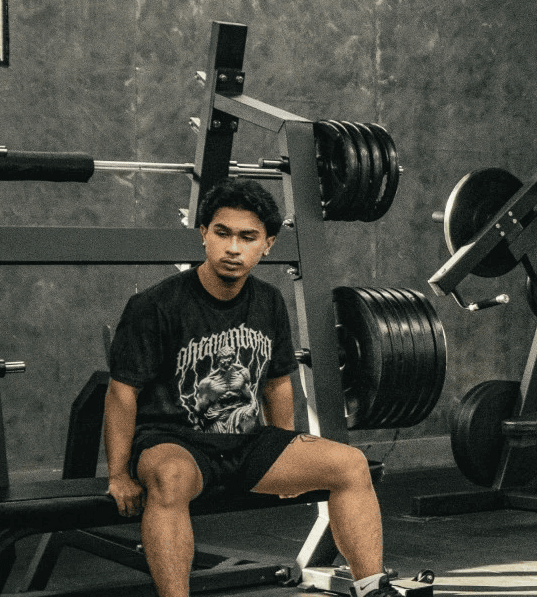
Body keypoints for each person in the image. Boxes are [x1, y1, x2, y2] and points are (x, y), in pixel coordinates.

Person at [105, 180, 399, 597]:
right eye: (222, 233)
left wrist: (282, 444)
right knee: (170, 477)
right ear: (203, 233)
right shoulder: (155, 305)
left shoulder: (269, 301)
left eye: (248, 237)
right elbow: (121, 394)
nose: (233, 248)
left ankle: (372, 588)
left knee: (350, 465)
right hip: (175, 442)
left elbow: (279, 383)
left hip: (246, 441)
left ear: (268, 244)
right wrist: (118, 474)